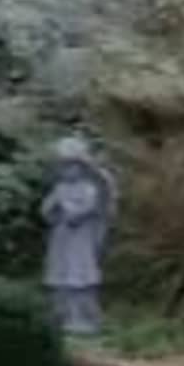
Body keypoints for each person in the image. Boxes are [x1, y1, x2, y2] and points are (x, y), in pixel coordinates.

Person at [39, 134, 117, 337]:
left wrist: (74, 213)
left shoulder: (89, 188)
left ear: (82, 168)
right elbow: (46, 210)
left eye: (71, 166)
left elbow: (93, 208)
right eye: (63, 167)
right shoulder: (59, 188)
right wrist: (52, 209)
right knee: (61, 275)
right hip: (61, 238)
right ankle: (61, 316)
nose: (67, 172)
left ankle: (83, 318)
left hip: (80, 239)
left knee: (79, 276)